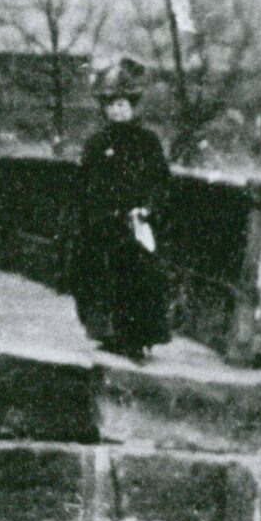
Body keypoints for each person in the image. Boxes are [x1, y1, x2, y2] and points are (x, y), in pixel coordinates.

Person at [74, 60, 172, 360]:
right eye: (110, 106)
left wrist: (148, 208)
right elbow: (85, 182)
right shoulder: (97, 142)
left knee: (137, 274)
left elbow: (160, 180)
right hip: (103, 220)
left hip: (136, 218)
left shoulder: (147, 141)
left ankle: (138, 337)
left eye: (121, 104)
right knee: (99, 276)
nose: (116, 111)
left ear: (132, 105)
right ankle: (109, 333)